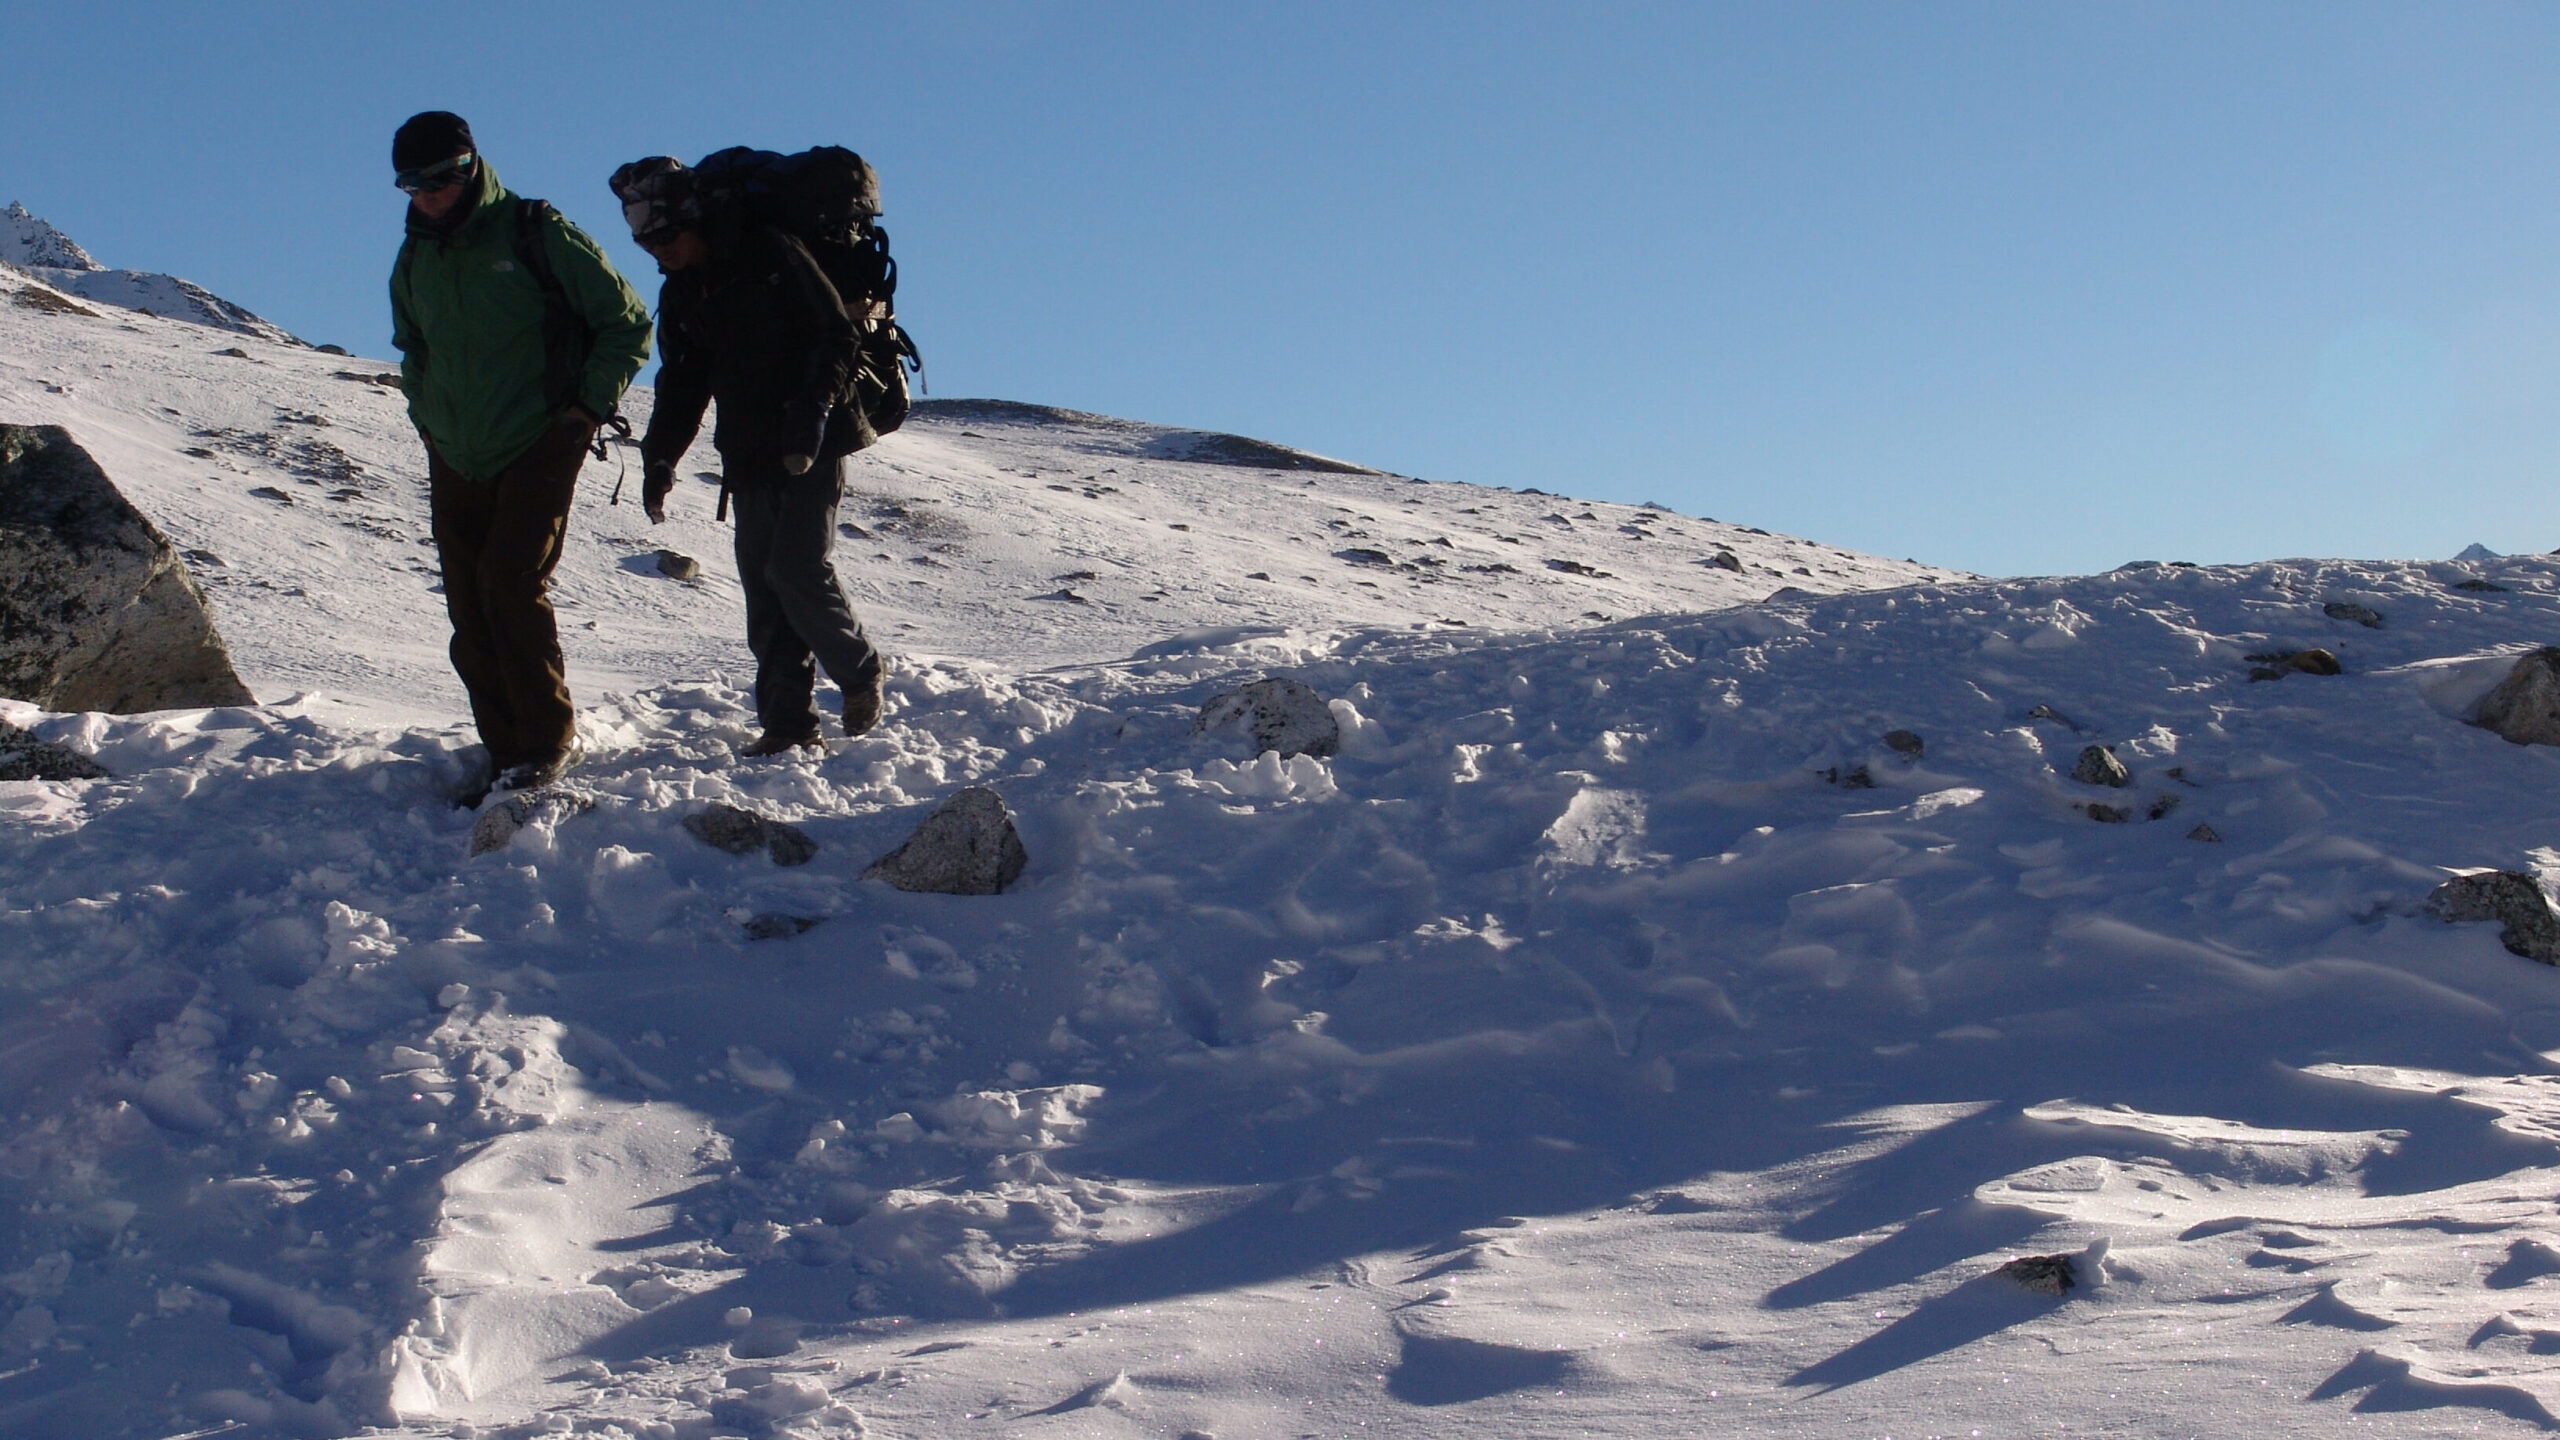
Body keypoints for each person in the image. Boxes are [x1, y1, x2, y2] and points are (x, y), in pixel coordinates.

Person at [390, 112, 652, 792]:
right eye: (410, 184)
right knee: (468, 609)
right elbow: (412, 347)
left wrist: (581, 412)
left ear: (471, 165)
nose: (427, 195)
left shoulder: (536, 231)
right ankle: (506, 753)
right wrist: (426, 413)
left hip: (539, 438)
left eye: (440, 179)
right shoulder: (416, 254)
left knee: (510, 586)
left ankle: (545, 744)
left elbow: (625, 324)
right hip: (453, 448)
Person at [615, 157, 888, 754]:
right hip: (747, 449)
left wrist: (814, 410)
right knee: (765, 594)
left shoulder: (768, 251)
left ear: (693, 220)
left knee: (795, 568)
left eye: (664, 236)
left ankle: (862, 671)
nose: (657, 251)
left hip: (813, 440)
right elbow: (682, 382)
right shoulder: (683, 290)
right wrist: (660, 459)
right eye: (644, 242)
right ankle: (789, 727)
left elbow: (834, 335)